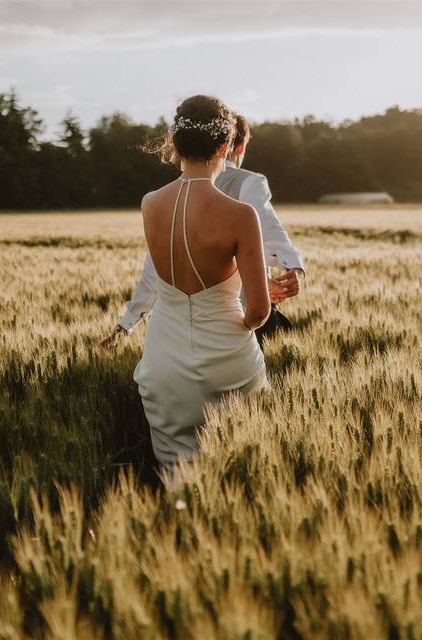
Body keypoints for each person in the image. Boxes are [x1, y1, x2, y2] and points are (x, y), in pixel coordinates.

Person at [128, 95, 271, 470]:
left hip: (163, 361)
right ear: (225, 147)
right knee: (243, 469)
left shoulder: (150, 203)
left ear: (174, 145)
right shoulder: (241, 215)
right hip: (227, 360)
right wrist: (237, 323)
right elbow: (258, 310)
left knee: (176, 476)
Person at [99, 113, 305, 350]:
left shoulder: (163, 198)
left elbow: (153, 271)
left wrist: (125, 326)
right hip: (239, 327)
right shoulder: (249, 183)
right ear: (235, 146)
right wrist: (293, 269)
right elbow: (271, 240)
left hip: (180, 335)